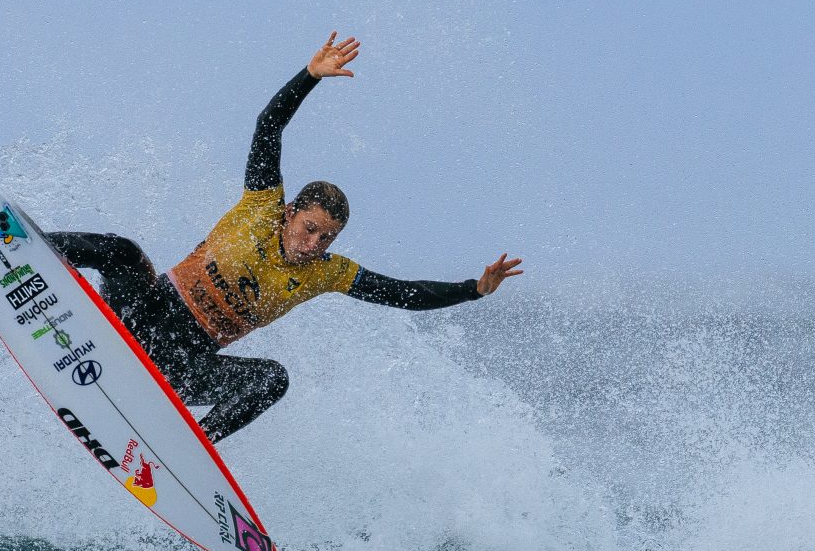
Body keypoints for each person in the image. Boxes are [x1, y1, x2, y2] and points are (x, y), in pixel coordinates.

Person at [48, 33, 523, 442]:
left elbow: (403, 293)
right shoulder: (261, 205)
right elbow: (268, 125)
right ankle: (12, 243)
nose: (315, 244)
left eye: (327, 238)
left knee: (273, 379)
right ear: (291, 213)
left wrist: (473, 290)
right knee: (123, 253)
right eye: (310, 228)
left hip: (180, 369)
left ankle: (190, 447)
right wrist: (310, 75)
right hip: (134, 319)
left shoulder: (327, 273)